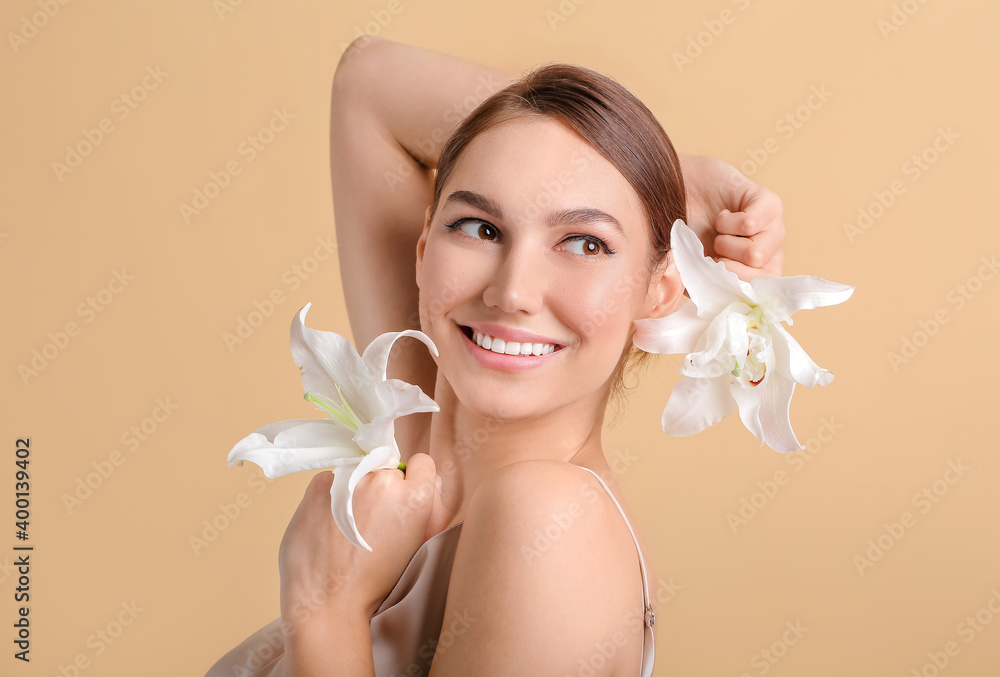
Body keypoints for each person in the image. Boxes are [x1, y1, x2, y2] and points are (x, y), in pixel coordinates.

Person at [206, 37, 785, 677]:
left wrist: (325, 612)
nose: (510, 292)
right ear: (424, 250)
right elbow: (368, 83)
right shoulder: (416, 440)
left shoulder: (549, 520)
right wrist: (666, 170)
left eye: (586, 243)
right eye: (480, 228)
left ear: (661, 290)